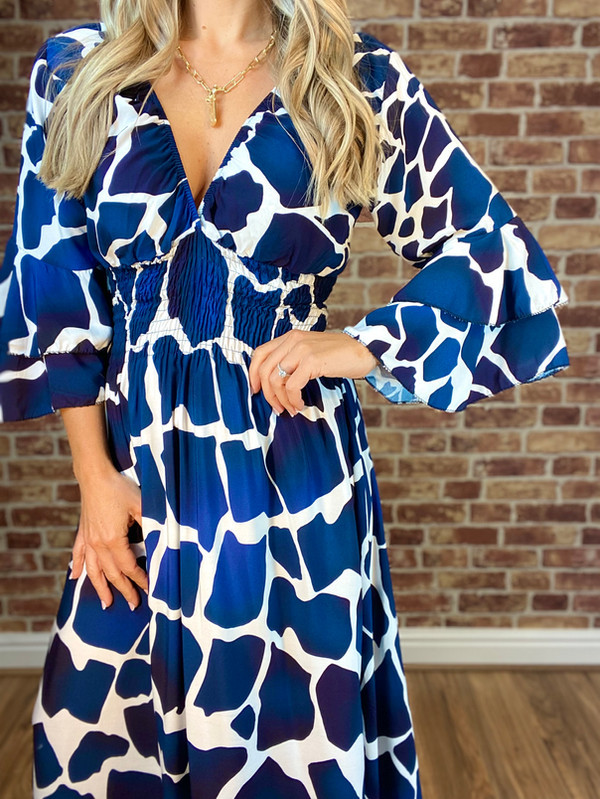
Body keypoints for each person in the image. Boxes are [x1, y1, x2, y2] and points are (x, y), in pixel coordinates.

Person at [0, 0, 569, 796]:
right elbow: (52, 282)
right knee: (104, 741)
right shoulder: (78, 70)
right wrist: (94, 477)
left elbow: (493, 251)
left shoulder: (351, 77)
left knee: (289, 748)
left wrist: (359, 343)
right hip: (138, 476)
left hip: (295, 483)